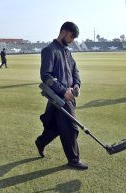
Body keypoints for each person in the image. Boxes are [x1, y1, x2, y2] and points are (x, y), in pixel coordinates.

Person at [35, 22, 88, 170]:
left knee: (56, 127)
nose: (72, 41)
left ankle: (41, 142)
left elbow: (75, 70)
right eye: (71, 36)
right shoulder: (49, 50)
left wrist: (77, 85)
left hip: (68, 96)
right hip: (59, 98)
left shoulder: (67, 51)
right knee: (72, 128)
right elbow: (45, 75)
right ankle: (74, 159)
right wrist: (63, 90)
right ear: (64, 32)